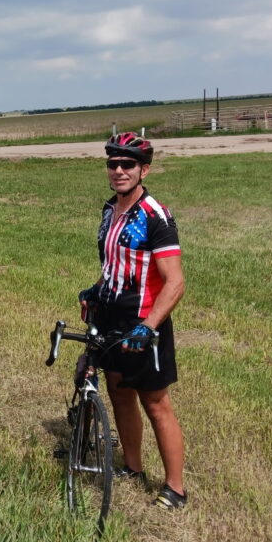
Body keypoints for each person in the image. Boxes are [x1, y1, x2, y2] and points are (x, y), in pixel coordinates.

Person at [79, 132, 187, 509]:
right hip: (111, 314)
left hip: (144, 320)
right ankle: (133, 467)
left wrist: (149, 326)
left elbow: (175, 282)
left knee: (155, 402)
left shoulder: (155, 215)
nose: (119, 170)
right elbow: (113, 266)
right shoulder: (110, 210)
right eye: (113, 163)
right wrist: (94, 291)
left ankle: (175, 488)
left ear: (144, 169)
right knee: (119, 392)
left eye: (128, 164)